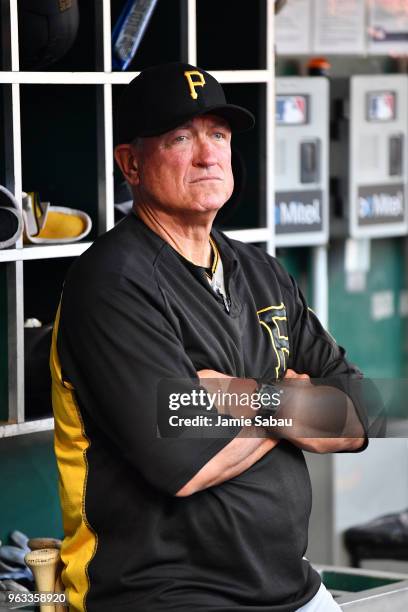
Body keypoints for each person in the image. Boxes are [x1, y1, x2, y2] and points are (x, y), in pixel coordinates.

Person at [50, 62, 368, 612]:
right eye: (180, 138)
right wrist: (293, 399)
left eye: (218, 135)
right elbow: (187, 463)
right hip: (168, 594)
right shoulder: (111, 281)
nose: (208, 154)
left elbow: (363, 414)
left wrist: (229, 396)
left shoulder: (261, 270)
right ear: (131, 163)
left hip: (290, 583)